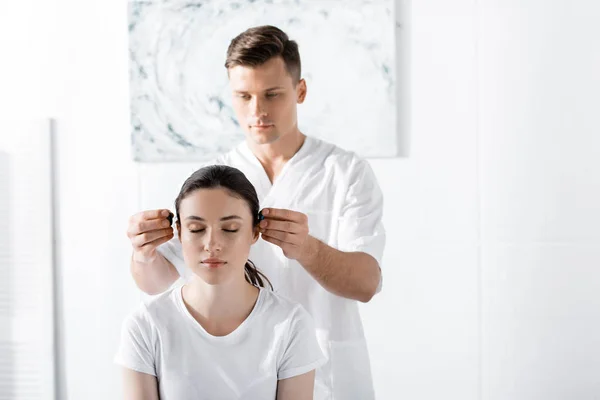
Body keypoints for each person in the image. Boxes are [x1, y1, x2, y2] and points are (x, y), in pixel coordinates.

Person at [126, 25, 385, 399]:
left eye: (272, 94)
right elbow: (157, 279)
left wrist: (307, 249)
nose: (257, 110)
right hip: (246, 378)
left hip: (333, 375)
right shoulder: (215, 178)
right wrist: (142, 251)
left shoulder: (345, 173)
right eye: (243, 96)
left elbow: (366, 283)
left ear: (300, 91)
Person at [117, 165, 326, 399]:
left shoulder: (290, 325)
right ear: (179, 231)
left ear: (255, 232)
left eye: (230, 228)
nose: (212, 244)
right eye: (196, 229)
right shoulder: (146, 326)